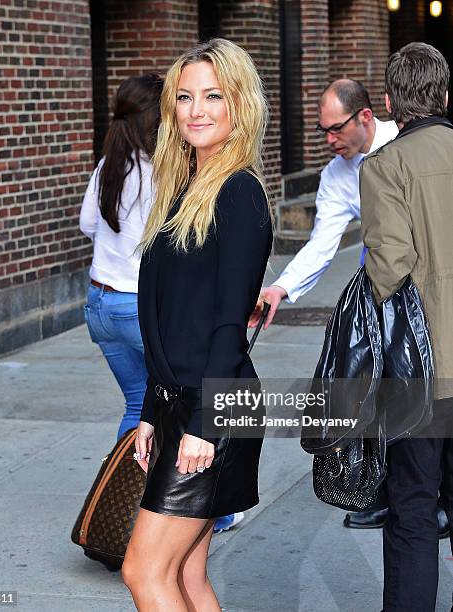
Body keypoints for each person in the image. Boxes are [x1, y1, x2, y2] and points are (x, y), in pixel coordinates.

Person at [121, 38, 272, 611]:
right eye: (184, 97)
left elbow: (226, 326)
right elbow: (167, 315)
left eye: (213, 96)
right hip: (179, 401)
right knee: (184, 577)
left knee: (144, 572)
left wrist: (204, 426)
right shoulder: (183, 189)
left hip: (215, 406)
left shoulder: (238, 192)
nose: (196, 110)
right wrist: (150, 413)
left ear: (239, 105)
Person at [250, 79, 401, 530]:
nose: (330, 140)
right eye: (323, 132)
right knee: (376, 390)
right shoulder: (337, 174)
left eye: (336, 130)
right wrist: (282, 288)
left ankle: (436, 495)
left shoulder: (405, 144)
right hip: (378, 292)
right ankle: (381, 488)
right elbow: (322, 244)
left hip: (426, 287)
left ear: (366, 117)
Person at [360, 42, 453, 611]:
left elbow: (389, 270)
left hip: (423, 374)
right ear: (444, 94)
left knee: (414, 508)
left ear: (392, 103)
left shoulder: (385, 167)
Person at [80, 74, 163, 440]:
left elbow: (87, 224)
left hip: (98, 305)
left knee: (136, 404)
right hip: (135, 304)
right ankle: (176, 491)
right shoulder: (157, 172)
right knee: (184, 400)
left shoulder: (107, 166)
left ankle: (128, 493)